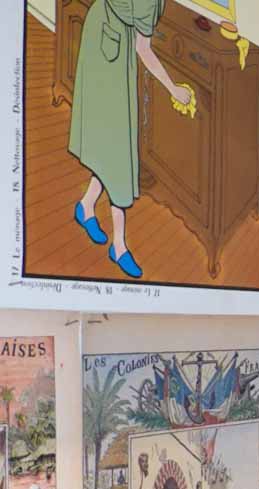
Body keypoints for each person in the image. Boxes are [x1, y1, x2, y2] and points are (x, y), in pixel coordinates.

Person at [68, 0, 193, 280]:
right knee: (118, 149)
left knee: (109, 144)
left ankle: (86, 206)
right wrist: (173, 88)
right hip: (108, 49)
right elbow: (143, 48)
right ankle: (119, 246)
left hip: (101, 31)